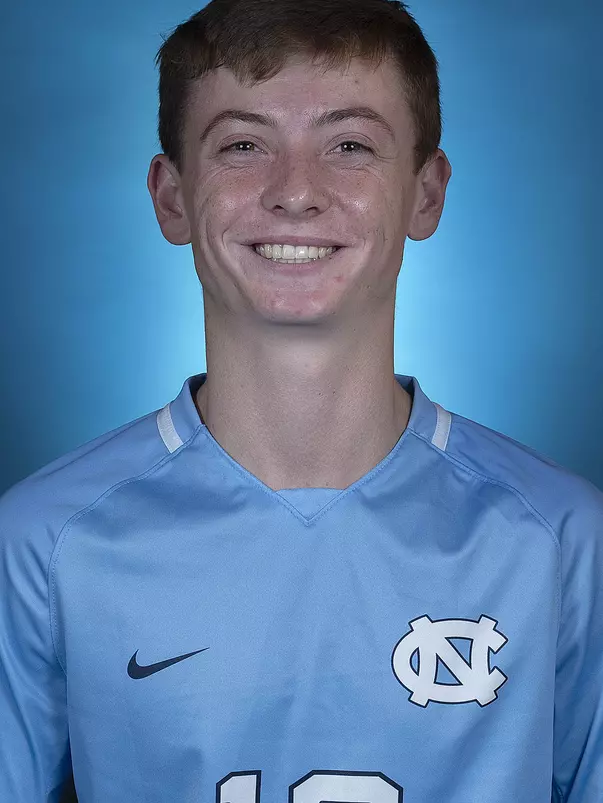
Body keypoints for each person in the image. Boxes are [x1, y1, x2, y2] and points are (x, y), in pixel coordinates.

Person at [1, 0, 602, 800]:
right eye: (243, 145)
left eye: (349, 145)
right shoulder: (47, 541)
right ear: (171, 195)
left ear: (426, 193)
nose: (295, 192)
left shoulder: (560, 541)